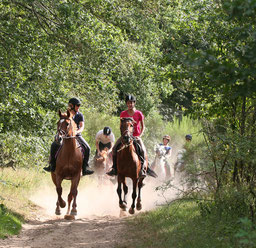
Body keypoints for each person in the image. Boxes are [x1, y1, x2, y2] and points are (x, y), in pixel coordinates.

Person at [43, 97, 94, 176]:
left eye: (79, 105)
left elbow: (82, 126)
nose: (79, 107)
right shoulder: (65, 114)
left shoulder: (79, 115)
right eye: (77, 105)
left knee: (87, 148)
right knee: (53, 145)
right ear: (72, 106)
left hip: (76, 135)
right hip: (64, 135)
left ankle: (85, 168)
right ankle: (51, 165)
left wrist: (77, 131)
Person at [106, 94, 147, 178]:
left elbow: (143, 126)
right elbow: (121, 126)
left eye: (131, 103)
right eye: (128, 103)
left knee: (142, 150)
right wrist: (123, 135)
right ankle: (114, 168)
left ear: (134, 103)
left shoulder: (139, 113)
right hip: (125, 136)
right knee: (114, 149)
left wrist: (140, 135)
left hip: (135, 136)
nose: (130, 105)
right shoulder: (123, 113)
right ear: (126, 104)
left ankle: (143, 169)